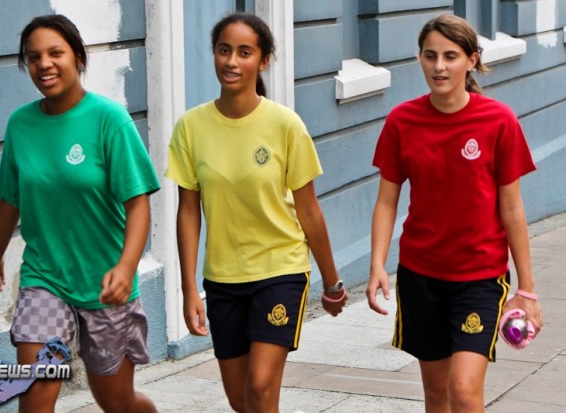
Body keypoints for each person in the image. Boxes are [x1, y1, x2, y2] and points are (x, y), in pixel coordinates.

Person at [166, 12, 347, 413]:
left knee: (261, 387)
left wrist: (332, 282)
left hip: (280, 269)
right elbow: (188, 212)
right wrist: (188, 288)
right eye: (224, 50)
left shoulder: (285, 125)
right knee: (241, 400)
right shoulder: (190, 127)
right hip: (223, 278)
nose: (232, 61)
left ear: (263, 61)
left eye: (244, 52)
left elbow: (309, 211)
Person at [0, 14, 159, 413]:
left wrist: (126, 267)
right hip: (45, 277)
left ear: (77, 57)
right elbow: (11, 199)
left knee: (116, 401)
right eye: (33, 57)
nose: (44, 64)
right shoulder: (20, 125)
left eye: (55, 53)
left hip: (105, 282)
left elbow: (138, 203)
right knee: (36, 393)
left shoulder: (110, 120)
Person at [366, 14, 543, 413]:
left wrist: (527, 289)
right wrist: (377, 263)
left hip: (479, 277)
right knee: (436, 395)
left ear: (471, 60)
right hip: (420, 276)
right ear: (420, 58)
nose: (439, 66)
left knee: (463, 390)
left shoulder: (498, 121)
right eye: (430, 56)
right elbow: (386, 200)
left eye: (450, 56)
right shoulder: (401, 121)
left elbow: (512, 208)